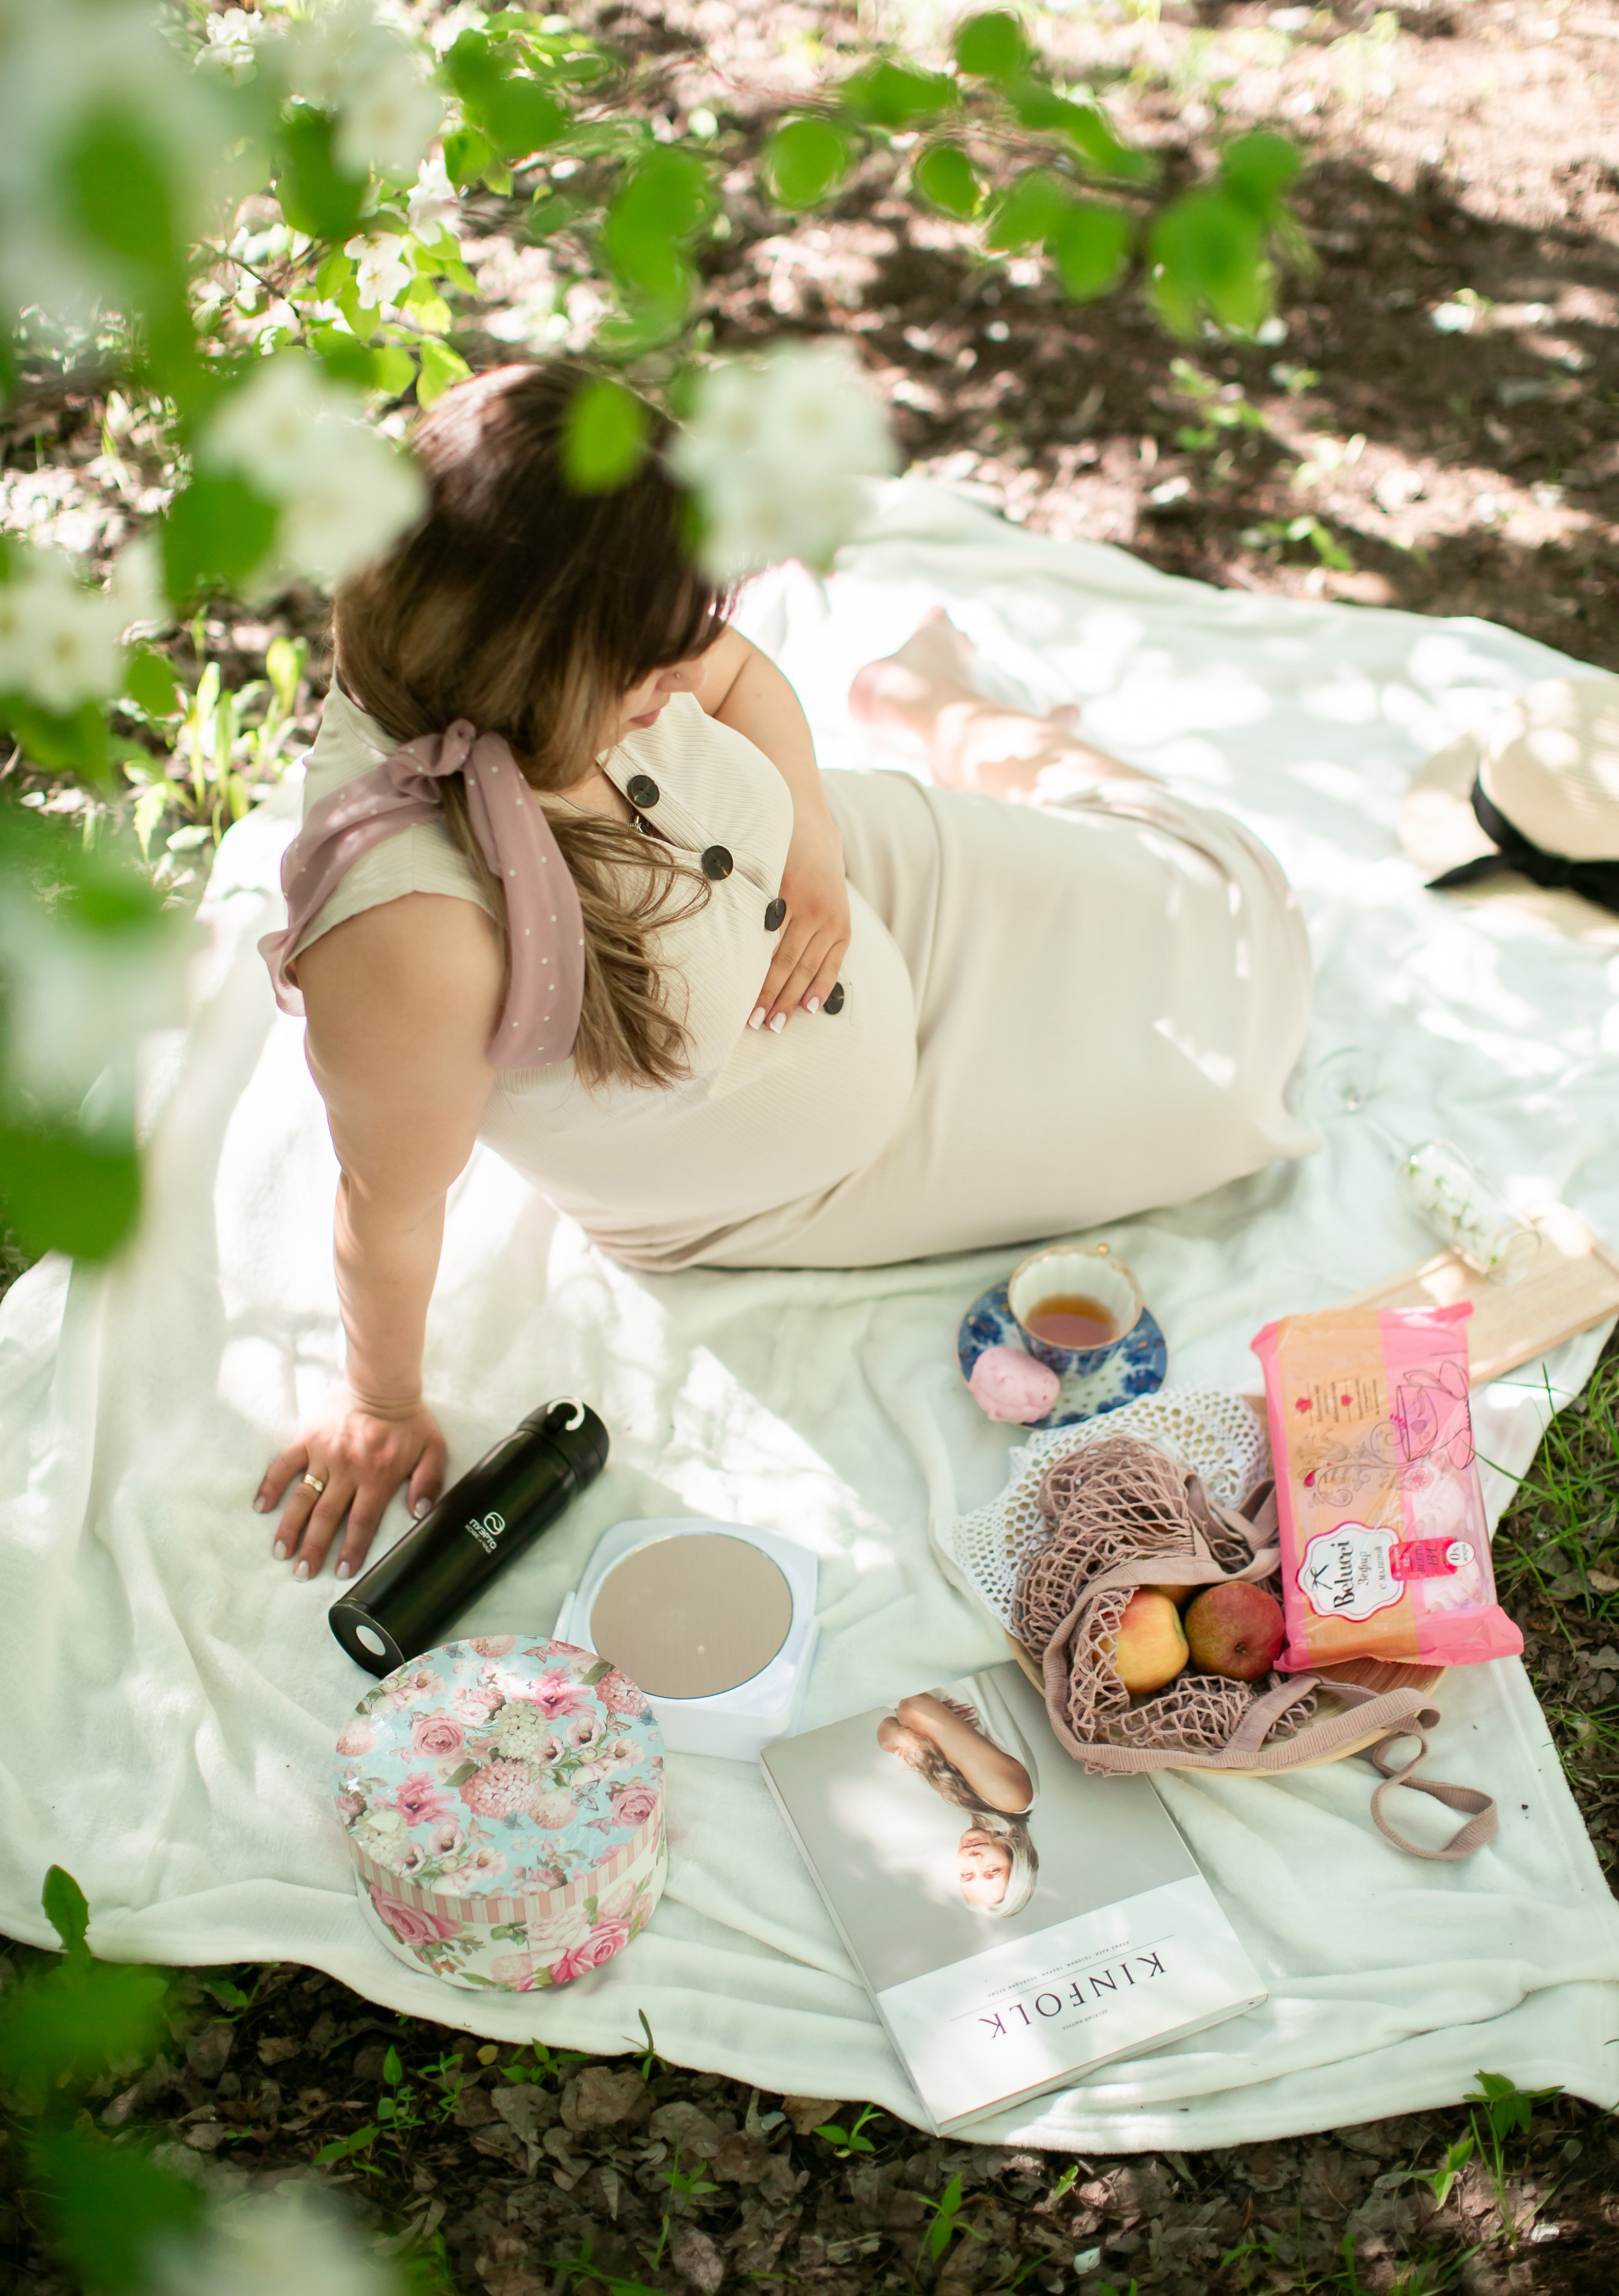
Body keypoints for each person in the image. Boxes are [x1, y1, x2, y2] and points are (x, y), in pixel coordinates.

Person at [255, 360, 1314, 1580]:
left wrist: (808, 833)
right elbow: (387, 1201)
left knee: (1224, 897)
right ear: (537, 662)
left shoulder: (549, 650)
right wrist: (382, 1402)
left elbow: (738, 673)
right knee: (1227, 1091)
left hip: (856, 883)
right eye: (645, 675)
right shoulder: (409, 934)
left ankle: (933, 707)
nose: (674, 690)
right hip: (837, 1160)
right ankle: (950, 711)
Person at [876, 1688, 1038, 1915]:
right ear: (1016, 1859)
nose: (974, 1860)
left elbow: (887, 1731)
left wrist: (905, 1735)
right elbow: (912, 1707)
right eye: (993, 1871)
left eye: (967, 1874)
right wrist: (914, 1735)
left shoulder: (978, 1803)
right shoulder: (1012, 1798)